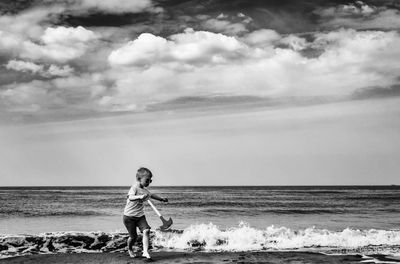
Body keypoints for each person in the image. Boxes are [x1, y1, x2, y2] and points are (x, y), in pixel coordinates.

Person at [123, 167, 168, 260]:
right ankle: (130, 249)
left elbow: (152, 195)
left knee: (146, 230)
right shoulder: (134, 188)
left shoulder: (145, 190)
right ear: (139, 179)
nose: (149, 183)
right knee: (133, 237)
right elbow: (130, 197)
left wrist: (162, 199)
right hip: (129, 216)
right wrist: (140, 197)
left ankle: (145, 252)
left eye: (150, 181)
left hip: (140, 216)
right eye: (147, 180)